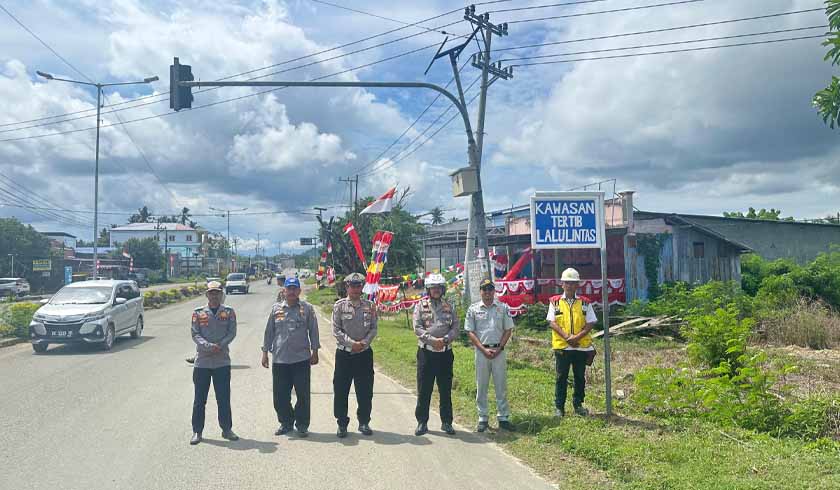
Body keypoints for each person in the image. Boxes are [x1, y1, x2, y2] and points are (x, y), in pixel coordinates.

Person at [261, 276, 320, 437]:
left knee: (303, 394)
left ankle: (301, 424)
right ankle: (286, 422)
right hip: (280, 358)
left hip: (301, 358)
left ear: (299, 291)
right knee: (280, 395)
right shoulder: (276, 309)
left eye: (295, 289)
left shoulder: (307, 309)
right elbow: (269, 332)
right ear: (284, 291)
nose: (292, 292)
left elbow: (313, 331)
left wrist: (315, 351)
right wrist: (265, 352)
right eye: (289, 289)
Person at [189, 281, 238, 445]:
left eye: (217, 292)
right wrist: (208, 346)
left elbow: (232, 332)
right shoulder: (198, 313)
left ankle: (226, 429)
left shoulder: (229, 312)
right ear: (207, 295)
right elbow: (195, 333)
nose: (214, 296)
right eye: (211, 293)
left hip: (222, 361)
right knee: (199, 399)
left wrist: (220, 345)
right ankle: (197, 431)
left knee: (223, 398)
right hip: (202, 362)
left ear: (221, 294)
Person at [331, 272, 378, 438]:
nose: (356, 289)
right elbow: (336, 330)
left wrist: (363, 343)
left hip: (364, 354)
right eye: (353, 285)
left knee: (365, 390)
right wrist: (352, 344)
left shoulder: (370, 306)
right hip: (344, 355)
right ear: (347, 287)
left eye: (359, 285)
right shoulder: (339, 306)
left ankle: (364, 421)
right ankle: (342, 423)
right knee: (341, 390)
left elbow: (374, 328)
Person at [464, 279, 515, 432]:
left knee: (501, 385)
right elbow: (470, 332)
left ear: (494, 291)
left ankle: (503, 417)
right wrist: (482, 349)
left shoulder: (502, 308)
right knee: (482, 386)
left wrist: (499, 348)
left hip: (499, 351)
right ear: (480, 291)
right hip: (481, 352)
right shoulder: (473, 309)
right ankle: (483, 418)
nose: (487, 292)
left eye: (490, 289)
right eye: (484, 289)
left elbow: (508, 330)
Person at [546, 268, 597, 417]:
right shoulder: (554, 302)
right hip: (562, 346)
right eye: (567, 283)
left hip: (580, 347)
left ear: (577, 285)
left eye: (573, 283)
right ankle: (559, 407)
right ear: (562, 284)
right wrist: (568, 337)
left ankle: (578, 404)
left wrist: (577, 337)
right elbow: (552, 322)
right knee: (561, 377)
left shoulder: (585, 303)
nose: (569, 286)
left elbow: (591, 323)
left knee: (579, 377)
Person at [413, 273, 459, 436]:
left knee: (445, 389)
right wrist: (432, 340)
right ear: (428, 289)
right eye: (433, 288)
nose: (436, 290)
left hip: (445, 354)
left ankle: (446, 422)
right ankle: (422, 422)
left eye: (438, 288)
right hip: (427, 353)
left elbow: (455, 327)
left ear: (443, 289)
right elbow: (417, 327)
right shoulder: (420, 306)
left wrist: (446, 339)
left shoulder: (449, 306)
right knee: (424, 389)